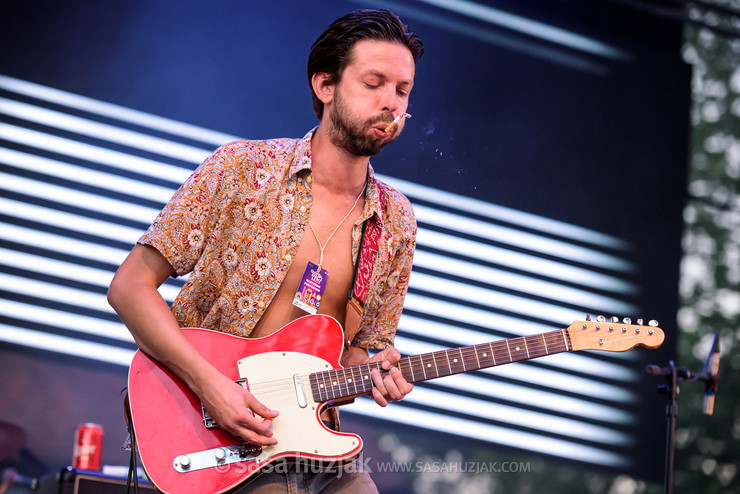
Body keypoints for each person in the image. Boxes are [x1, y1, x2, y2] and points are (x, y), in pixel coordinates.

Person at [108, 8, 424, 493]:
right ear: (325, 86)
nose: (391, 103)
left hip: (308, 438)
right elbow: (129, 288)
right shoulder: (242, 170)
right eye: (374, 83)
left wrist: (377, 373)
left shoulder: (396, 222)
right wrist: (210, 387)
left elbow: (357, 355)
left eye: (401, 91)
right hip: (205, 421)